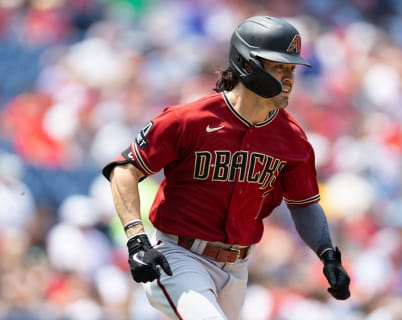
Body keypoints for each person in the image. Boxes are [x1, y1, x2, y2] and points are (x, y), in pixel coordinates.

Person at [102, 15, 350, 320]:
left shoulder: (291, 137)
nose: (288, 78)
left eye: (291, 69)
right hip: (180, 256)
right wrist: (135, 237)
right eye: (278, 66)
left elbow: (304, 204)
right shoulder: (189, 119)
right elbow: (124, 170)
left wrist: (327, 254)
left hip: (237, 268)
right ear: (247, 65)